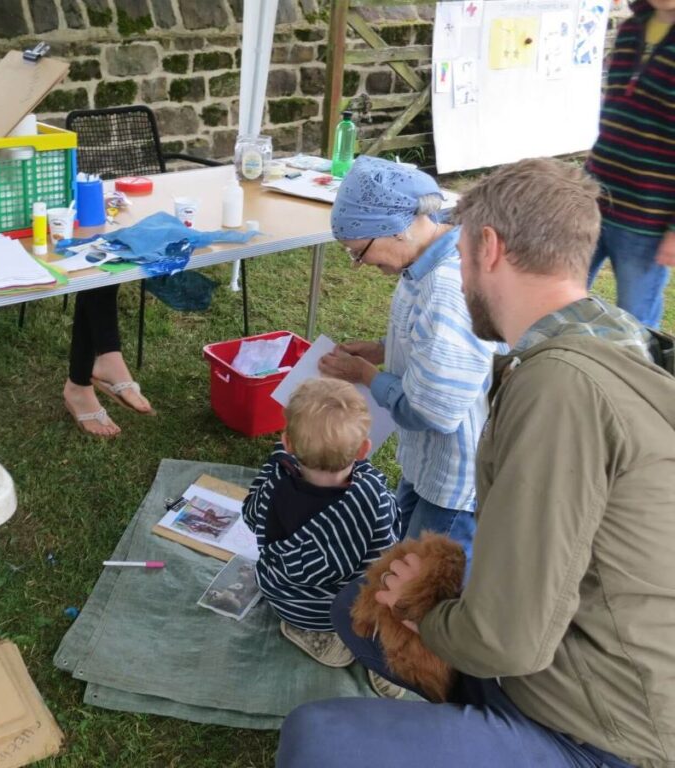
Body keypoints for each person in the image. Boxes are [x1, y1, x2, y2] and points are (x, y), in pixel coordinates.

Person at [277, 158, 675, 768]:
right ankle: (468, 727)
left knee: (316, 739)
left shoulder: (560, 389)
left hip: (595, 729)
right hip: (563, 655)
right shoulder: (597, 337)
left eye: (459, 253)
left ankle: (486, 732)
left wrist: (425, 613)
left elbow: (506, 640)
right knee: (354, 610)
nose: (455, 275)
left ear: (487, 247)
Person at [0, 50, 152, 437]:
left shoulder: (8, 124)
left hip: (26, 229)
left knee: (98, 254)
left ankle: (97, 366)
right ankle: (90, 373)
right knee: (86, 259)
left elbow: (23, 191)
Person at [319, 156, 499, 560]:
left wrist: (367, 375)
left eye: (358, 252)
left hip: (456, 478)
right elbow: (438, 347)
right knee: (401, 558)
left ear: (395, 229)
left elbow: (434, 412)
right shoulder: (423, 263)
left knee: (425, 590)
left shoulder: (448, 291)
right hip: (427, 464)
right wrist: (385, 349)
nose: (361, 263)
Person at [242, 378, 401, 694]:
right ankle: (378, 652)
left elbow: (249, 514)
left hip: (285, 597)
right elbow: (385, 559)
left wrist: (278, 461)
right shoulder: (372, 500)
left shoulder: (276, 479)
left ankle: (316, 633)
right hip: (336, 610)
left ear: (287, 443)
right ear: (364, 449)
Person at [585, 0, 675, 329]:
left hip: (648, 217)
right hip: (594, 196)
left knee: (633, 322)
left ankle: (635, 379)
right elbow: (616, 110)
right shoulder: (630, 29)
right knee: (557, 297)